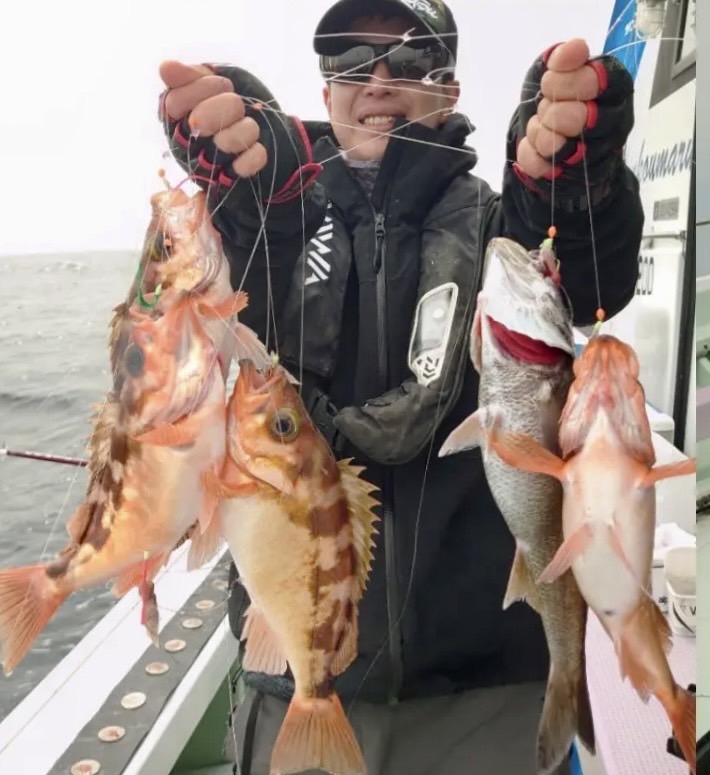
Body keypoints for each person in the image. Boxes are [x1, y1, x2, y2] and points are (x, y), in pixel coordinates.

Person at [158, 1, 643, 772]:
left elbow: (592, 279)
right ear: (324, 96)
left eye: (410, 60)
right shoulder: (275, 223)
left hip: (484, 690)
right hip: (294, 674)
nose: (379, 79)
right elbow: (210, 315)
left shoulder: (503, 227)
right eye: (352, 62)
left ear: (449, 90)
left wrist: (576, 187)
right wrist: (245, 205)